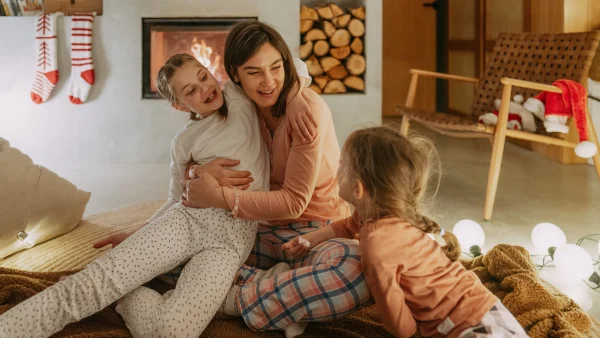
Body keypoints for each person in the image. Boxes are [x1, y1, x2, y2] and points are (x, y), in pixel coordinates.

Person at [0, 53, 314, 338]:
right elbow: (175, 198)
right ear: (179, 105)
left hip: (231, 244)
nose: (204, 89)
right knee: (90, 287)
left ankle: (128, 298)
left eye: (203, 76)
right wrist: (139, 232)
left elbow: (291, 67)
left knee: (172, 333)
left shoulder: (239, 95)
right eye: (190, 91)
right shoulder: (184, 141)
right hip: (189, 221)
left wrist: (298, 99)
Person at [180, 21, 370, 338]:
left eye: (276, 68)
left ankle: (230, 298)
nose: (269, 82)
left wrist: (219, 198)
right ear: (235, 75)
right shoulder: (235, 101)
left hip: (315, 230)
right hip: (256, 228)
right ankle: (279, 289)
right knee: (168, 253)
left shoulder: (308, 111)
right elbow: (193, 146)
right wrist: (200, 173)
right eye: (254, 72)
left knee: (358, 269)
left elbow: (294, 204)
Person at [282, 126, 529, 338]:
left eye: (341, 163)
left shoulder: (377, 245)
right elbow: (344, 226)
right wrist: (308, 240)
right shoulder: (382, 214)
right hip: (489, 311)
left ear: (358, 189)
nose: (337, 167)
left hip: (473, 329)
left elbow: (402, 328)